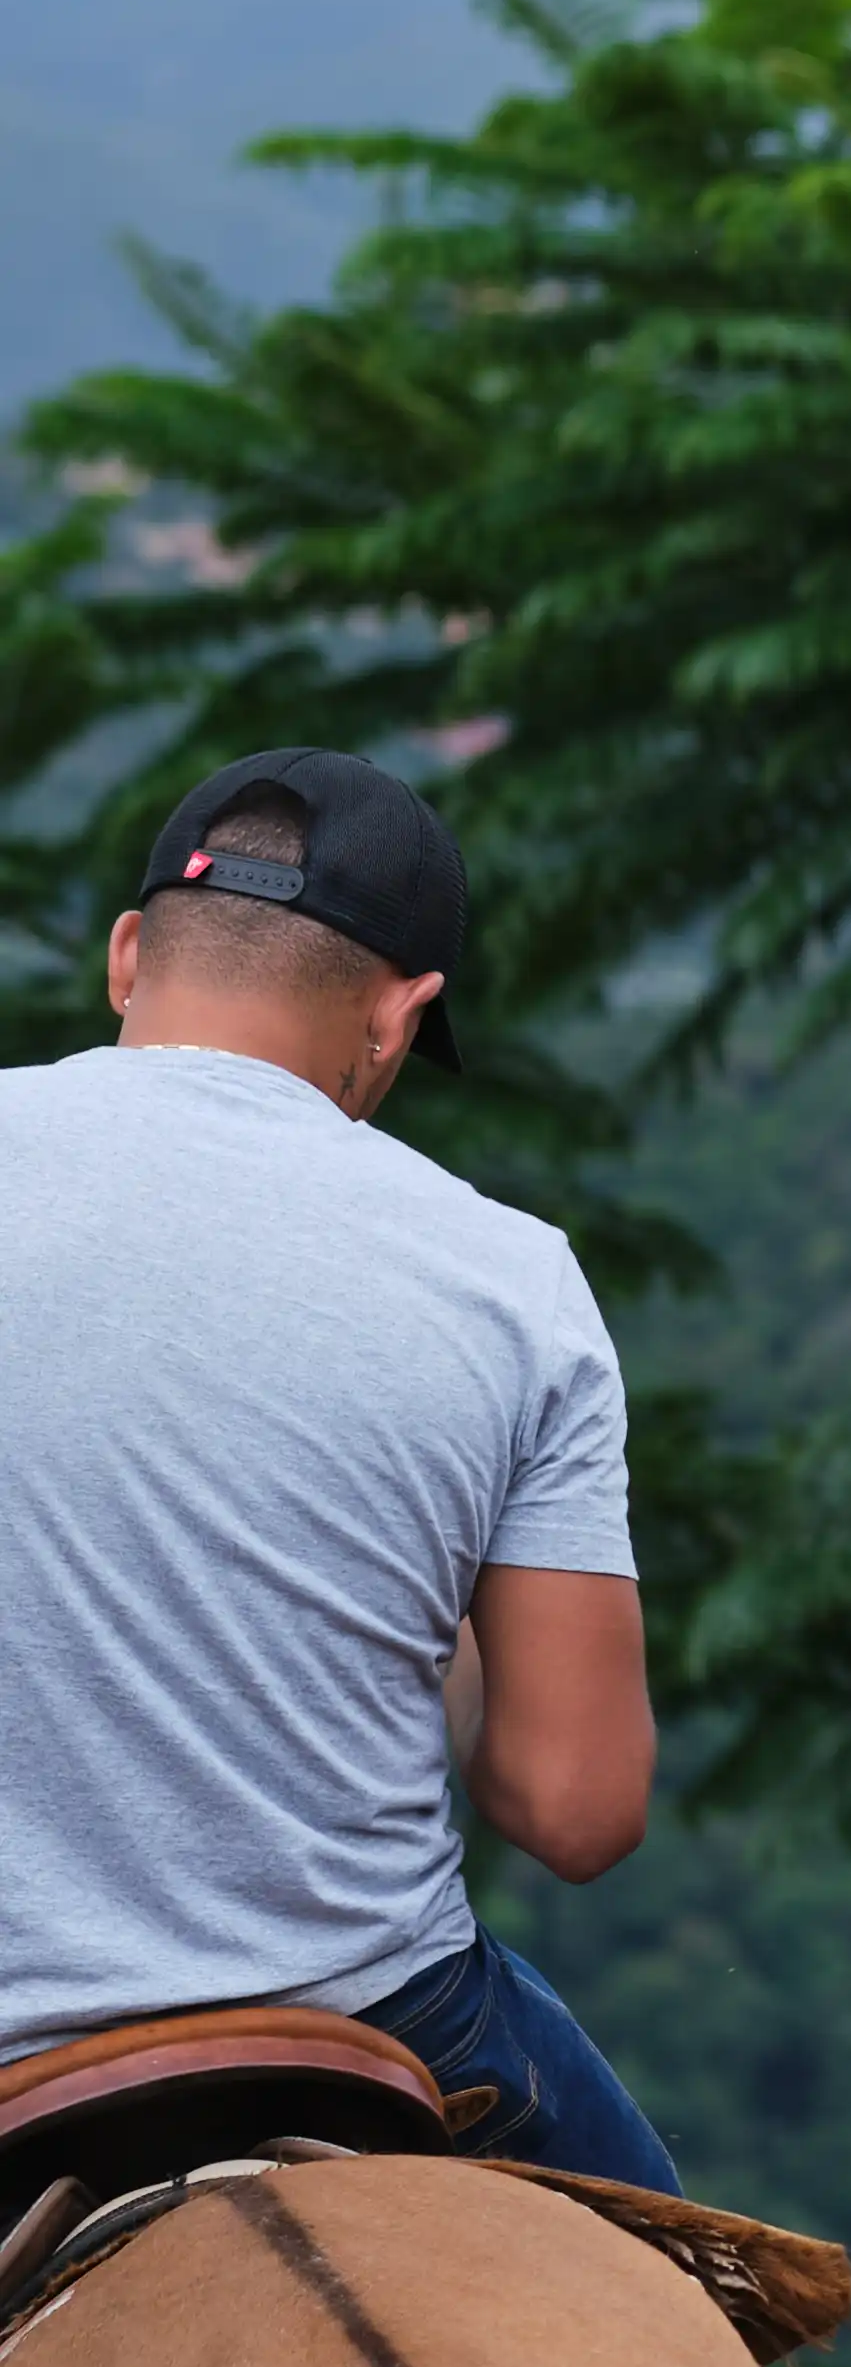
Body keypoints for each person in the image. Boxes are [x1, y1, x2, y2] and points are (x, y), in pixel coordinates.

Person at [0, 749, 681, 2189]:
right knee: (712, 2341)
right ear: (399, 1012)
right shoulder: (514, 1281)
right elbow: (576, 1807)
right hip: (368, 2023)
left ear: (129, 954)